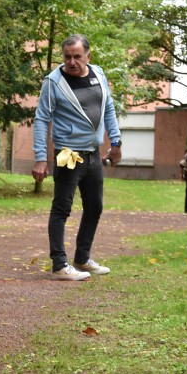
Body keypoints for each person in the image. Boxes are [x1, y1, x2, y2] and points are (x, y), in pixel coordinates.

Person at [31, 34, 122, 281]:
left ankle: (82, 258)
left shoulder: (98, 74)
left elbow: (109, 108)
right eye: (67, 57)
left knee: (95, 206)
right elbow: (41, 119)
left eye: (77, 57)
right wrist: (41, 158)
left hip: (93, 153)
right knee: (62, 207)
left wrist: (116, 142)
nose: (71, 62)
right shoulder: (54, 82)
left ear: (87, 57)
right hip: (67, 153)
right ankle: (60, 265)